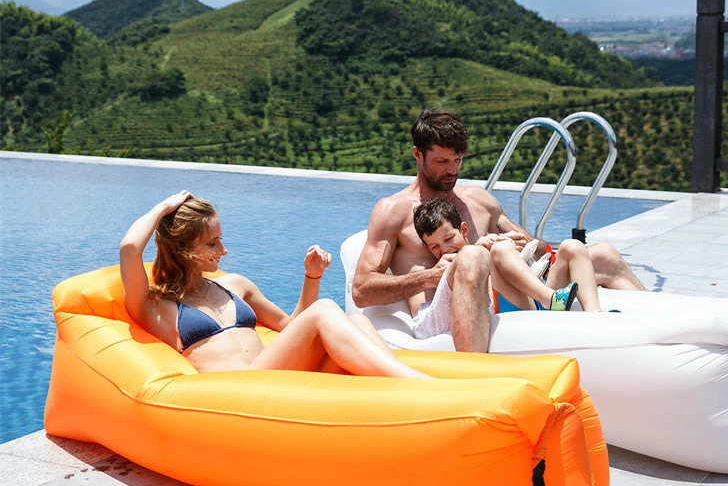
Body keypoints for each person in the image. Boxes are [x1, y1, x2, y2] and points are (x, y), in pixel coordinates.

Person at [352, 108, 644, 352]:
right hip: (461, 311)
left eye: (457, 160)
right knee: (473, 258)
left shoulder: (478, 201)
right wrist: (429, 277)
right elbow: (362, 291)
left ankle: (654, 334)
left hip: (515, 294)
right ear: (418, 155)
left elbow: (539, 250)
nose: (452, 170)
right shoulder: (395, 211)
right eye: (441, 161)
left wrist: (525, 243)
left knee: (603, 254)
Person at [120, 191, 430, 378]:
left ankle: (407, 394)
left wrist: (312, 277)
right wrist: (163, 209)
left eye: (221, 239)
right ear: (184, 249)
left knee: (358, 322)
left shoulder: (234, 285)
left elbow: (293, 326)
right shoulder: (155, 305)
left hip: (275, 380)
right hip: (238, 391)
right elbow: (130, 249)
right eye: (212, 243)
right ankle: (415, 384)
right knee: (325, 309)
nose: (224, 250)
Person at [408, 198, 588, 339]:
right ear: (427, 249)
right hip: (514, 309)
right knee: (500, 249)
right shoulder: (442, 271)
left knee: (572, 246)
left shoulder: (487, 244)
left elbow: (542, 253)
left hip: (537, 299)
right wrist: (484, 253)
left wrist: (515, 247)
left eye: (449, 239)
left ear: (464, 230)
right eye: (435, 247)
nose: (445, 249)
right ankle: (551, 299)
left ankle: (594, 315)